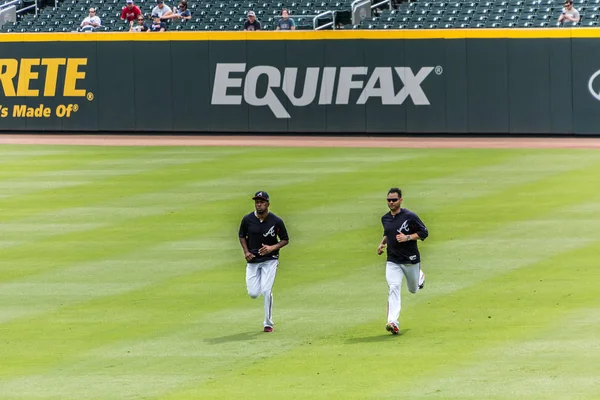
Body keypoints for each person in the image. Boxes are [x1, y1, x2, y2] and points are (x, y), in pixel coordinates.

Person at [377, 187, 428, 335]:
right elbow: (388, 232)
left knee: (413, 289)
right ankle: (393, 322)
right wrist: (382, 243)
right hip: (392, 260)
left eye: (394, 200)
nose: (391, 202)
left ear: (400, 200)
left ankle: (420, 276)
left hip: (410, 260)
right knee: (393, 287)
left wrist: (407, 237)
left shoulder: (410, 216)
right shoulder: (385, 218)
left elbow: (424, 232)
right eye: (389, 200)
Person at [238, 191, 289, 333]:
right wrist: (246, 252)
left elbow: (285, 239)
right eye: (257, 202)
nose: (259, 204)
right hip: (253, 260)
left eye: (261, 202)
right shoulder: (247, 220)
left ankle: (268, 323)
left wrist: (272, 248)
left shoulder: (276, 221)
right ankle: (264, 287)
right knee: (253, 293)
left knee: (266, 290)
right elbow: (241, 235)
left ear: (268, 204)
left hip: (270, 260)